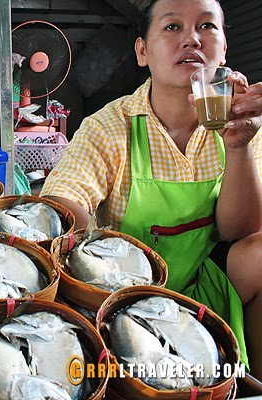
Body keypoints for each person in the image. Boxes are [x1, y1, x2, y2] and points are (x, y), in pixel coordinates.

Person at [41, 0, 262, 379]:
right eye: (172, 27)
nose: (192, 39)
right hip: (121, 297)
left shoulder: (241, 119)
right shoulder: (109, 127)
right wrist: (66, 223)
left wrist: (238, 146)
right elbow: (65, 202)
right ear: (142, 51)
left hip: (201, 288)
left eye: (207, 27)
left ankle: (251, 379)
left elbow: (238, 231)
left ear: (224, 48)